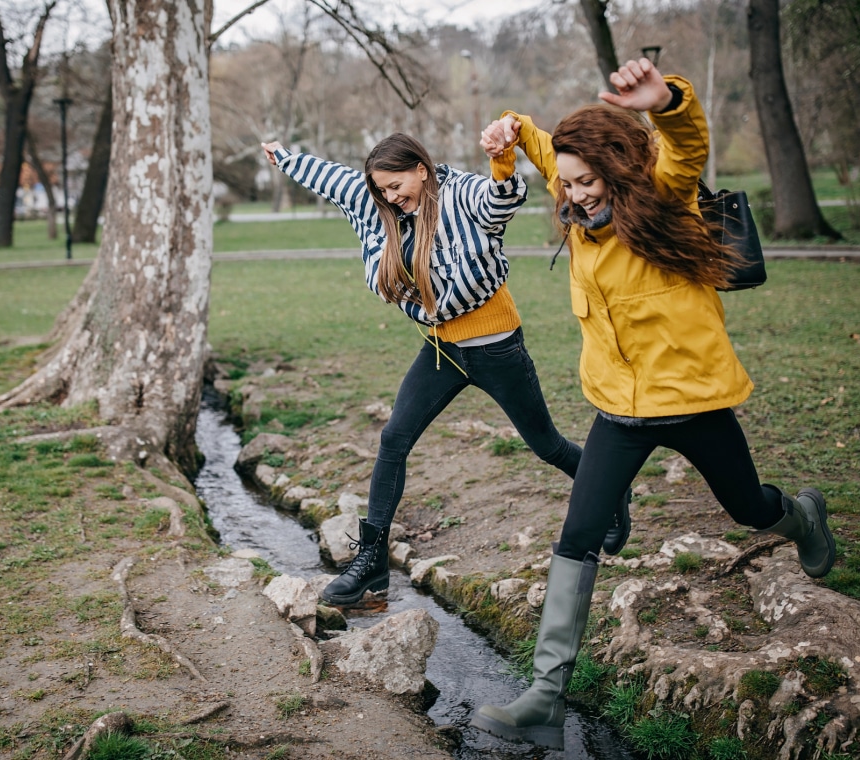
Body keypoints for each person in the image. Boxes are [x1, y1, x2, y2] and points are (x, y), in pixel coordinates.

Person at [468, 58, 837, 751]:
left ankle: (803, 516)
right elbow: (548, 149)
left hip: (694, 403)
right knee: (578, 535)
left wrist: (666, 101)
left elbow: (686, 145)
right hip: (619, 414)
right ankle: (546, 697)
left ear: (621, 169)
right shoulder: (574, 189)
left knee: (749, 510)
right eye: (568, 184)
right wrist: (512, 130)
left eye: (587, 181)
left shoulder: (663, 196)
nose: (575, 195)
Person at [260, 131, 631, 606]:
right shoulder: (382, 206)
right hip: (442, 351)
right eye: (383, 191)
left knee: (547, 445)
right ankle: (372, 563)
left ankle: (614, 494)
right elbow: (329, 177)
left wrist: (501, 162)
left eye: (397, 186)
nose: (392, 198)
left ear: (421, 168)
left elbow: (501, 198)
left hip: (497, 348)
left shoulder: (461, 193)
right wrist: (284, 157)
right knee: (393, 439)